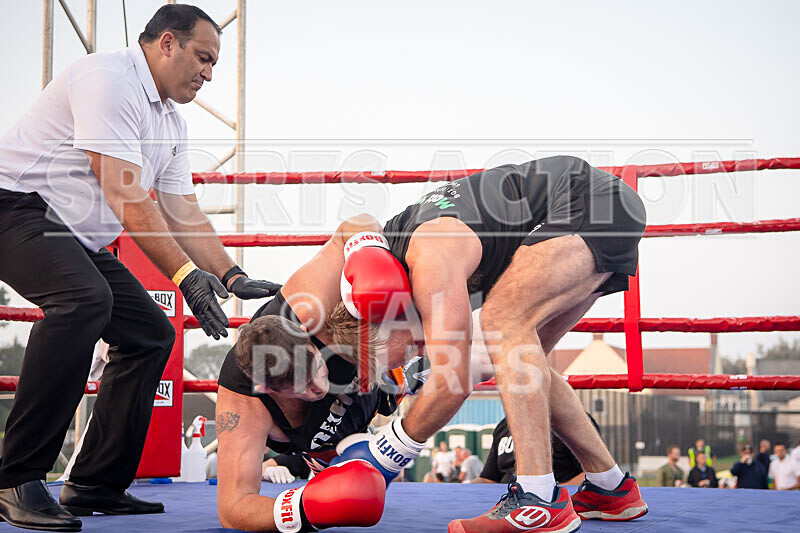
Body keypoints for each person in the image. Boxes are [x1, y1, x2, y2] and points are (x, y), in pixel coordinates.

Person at [0, 5, 279, 531]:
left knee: (150, 333)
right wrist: (185, 277)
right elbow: (123, 189)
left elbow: (182, 212)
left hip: (74, 235)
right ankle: (15, 477)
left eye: (216, 64)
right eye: (202, 57)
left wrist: (231, 275)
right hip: (13, 204)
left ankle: (94, 483)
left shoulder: (170, 122)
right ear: (166, 43)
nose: (208, 73)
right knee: (84, 301)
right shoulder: (108, 78)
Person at [329, 155, 649, 531]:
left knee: (502, 322)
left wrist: (388, 451)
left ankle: (537, 498)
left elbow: (456, 377)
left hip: (589, 204)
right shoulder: (403, 262)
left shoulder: (428, 256)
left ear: (381, 326)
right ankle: (610, 488)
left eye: (387, 361)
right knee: (528, 362)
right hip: (589, 209)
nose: (405, 363)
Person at [213, 214, 424, 532]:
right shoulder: (242, 406)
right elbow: (232, 509)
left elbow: (357, 223)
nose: (318, 387)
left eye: (316, 369)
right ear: (265, 388)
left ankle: (395, 380)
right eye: (303, 386)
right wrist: (307, 507)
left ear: (305, 334)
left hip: (374, 363)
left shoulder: (306, 304)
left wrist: (367, 255)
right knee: (345, 465)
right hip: (326, 441)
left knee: (410, 331)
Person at [475, 415, 601, 485]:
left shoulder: (573, 423)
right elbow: (488, 478)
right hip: (505, 499)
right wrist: (460, 491)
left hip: (550, 501)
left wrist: (554, 494)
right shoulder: (505, 425)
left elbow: (593, 475)